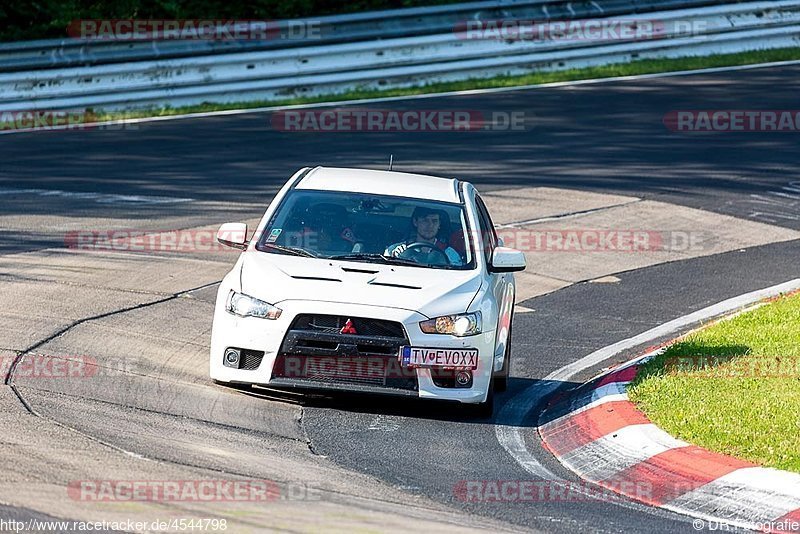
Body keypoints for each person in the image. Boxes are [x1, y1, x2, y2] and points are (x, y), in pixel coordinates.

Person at [385, 207, 462, 265]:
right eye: (425, 220)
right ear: (415, 222)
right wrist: (394, 258)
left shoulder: (449, 253)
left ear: (439, 225)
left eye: (434, 221)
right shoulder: (395, 250)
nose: (430, 225)